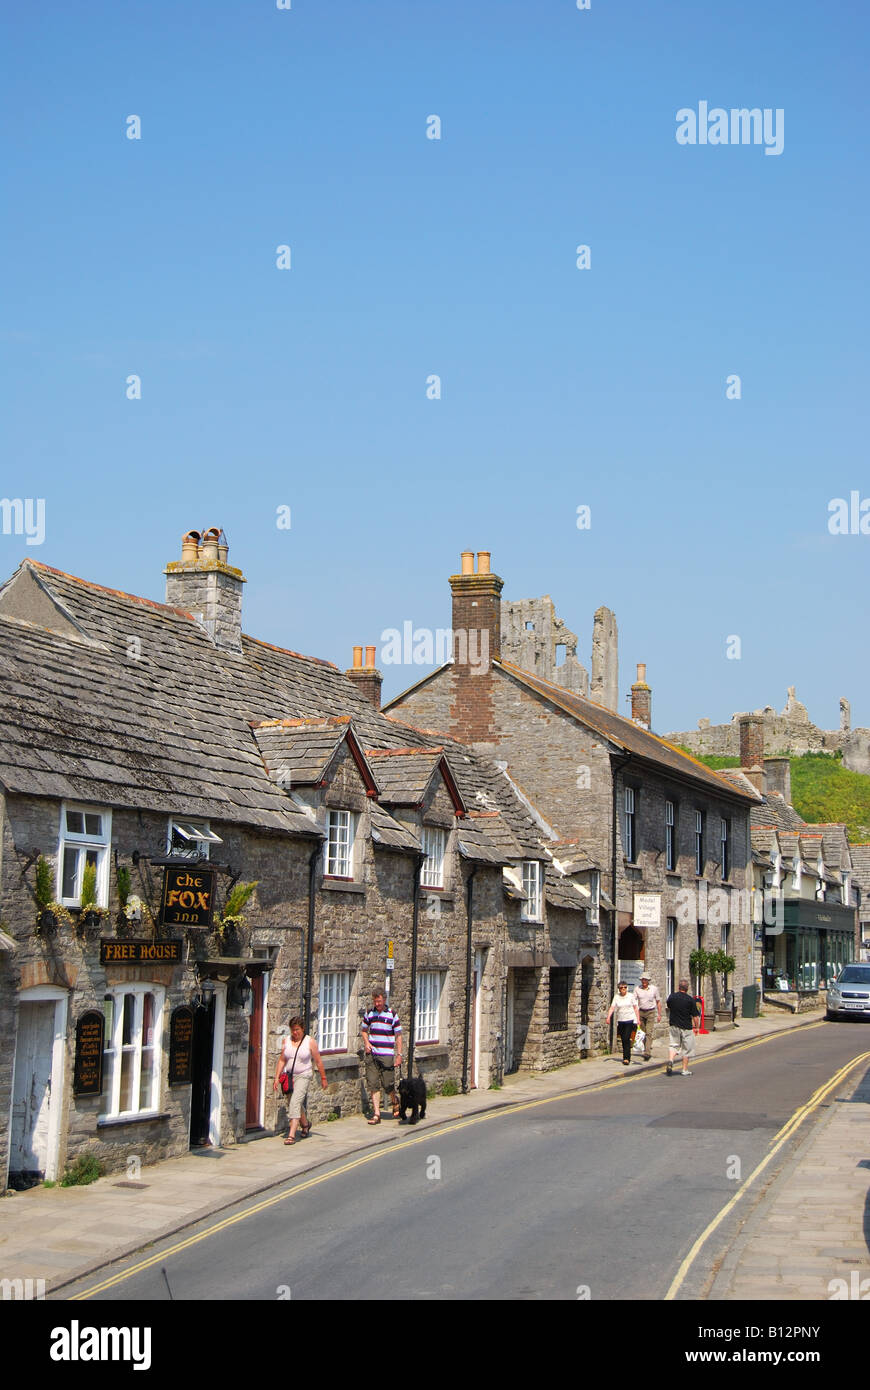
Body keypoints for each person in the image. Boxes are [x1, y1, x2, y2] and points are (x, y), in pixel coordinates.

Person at [274, 1016, 328, 1144]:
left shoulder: (310, 1042)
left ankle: (291, 1135)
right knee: (293, 1102)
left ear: (303, 1029)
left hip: (304, 1075)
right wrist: (276, 1078)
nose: (295, 1033)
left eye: (297, 1029)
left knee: (295, 1102)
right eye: (292, 1030)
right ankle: (305, 1124)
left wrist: (323, 1078)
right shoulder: (286, 1041)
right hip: (289, 1076)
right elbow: (282, 1060)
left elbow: (318, 1061)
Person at [361, 989, 402, 1122]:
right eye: (375, 1001)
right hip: (372, 1054)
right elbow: (364, 1031)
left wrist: (399, 1055)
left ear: (384, 1000)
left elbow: (399, 1036)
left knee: (388, 1084)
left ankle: (395, 1101)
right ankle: (377, 1114)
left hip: (387, 1054)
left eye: (379, 1001)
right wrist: (367, 1043)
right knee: (373, 1083)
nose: (377, 1004)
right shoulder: (370, 1013)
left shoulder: (392, 1015)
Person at [665, 979, 701, 1076]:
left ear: (678, 987)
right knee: (686, 1048)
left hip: (674, 1025)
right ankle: (684, 1070)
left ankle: (671, 1060)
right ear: (687, 988)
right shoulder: (690, 1000)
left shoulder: (672, 997)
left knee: (673, 1045)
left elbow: (669, 1006)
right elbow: (695, 1017)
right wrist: (697, 1027)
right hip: (686, 1027)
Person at [606, 980, 640, 1066]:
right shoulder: (616, 997)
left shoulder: (631, 996)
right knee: (623, 1039)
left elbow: (636, 1008)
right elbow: (612, 1007)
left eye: (625, 987)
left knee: (626, 1038)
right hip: (621, 1021)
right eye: (621, 988)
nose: (623, 989)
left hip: (630, 1020)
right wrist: (608, 1017)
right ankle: (626, 1056)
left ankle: (626, 1058)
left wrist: (638, 1019)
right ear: (619, 989)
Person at [635, 970, 662, 1062]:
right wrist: (635, 1014)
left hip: (651, 1012)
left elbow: (658, 1002)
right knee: (643, 1032)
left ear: (648, 980)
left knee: (649, 1032)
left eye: (645, 980)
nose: (644, 982)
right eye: (642, 980)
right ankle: (648, 1045)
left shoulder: (654, 989)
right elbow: (634, 1002)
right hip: (641, 1012)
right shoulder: (637, 989)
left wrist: (659, 1014)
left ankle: (647, 1053)